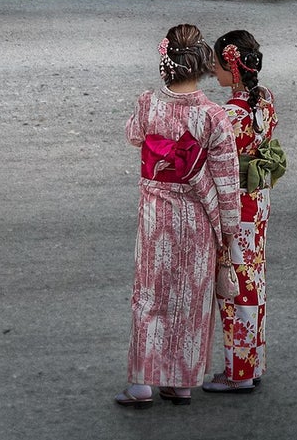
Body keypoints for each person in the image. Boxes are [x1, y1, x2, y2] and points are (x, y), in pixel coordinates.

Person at [117, 23, 242, 407]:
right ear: (203, 64)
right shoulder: (214, 117)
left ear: (165, 63)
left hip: (155, 213)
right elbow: (226, 181)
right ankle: (182, 382)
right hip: (197, 218)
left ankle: (142, 383)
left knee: (150, 294)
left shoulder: (147, 104)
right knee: (190, 296)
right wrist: (230, 231)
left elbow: (133, 136)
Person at [205, 28, 279, 392]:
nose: (212, 70)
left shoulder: (227, 115)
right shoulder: (264, 100)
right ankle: (254, 363)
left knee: (233, 284)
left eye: (217, 64)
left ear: (232, 65)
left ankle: (239, 373)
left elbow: (214, 156)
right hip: (260, 197)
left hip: (238, 202)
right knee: (255, 279)